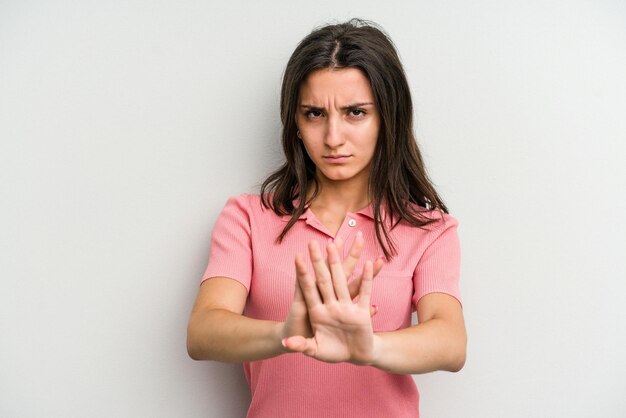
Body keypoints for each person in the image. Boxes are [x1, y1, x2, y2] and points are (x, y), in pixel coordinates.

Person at [187, 19, 466, 418]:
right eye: (315, 114)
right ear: (296, 124)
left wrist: (370, 348)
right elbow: (203, 333)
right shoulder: (248, 217)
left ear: (387, 118)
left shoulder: (430, 230)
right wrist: (287, 334)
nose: (333, 137)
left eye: (356, 112)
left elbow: (451, 342)